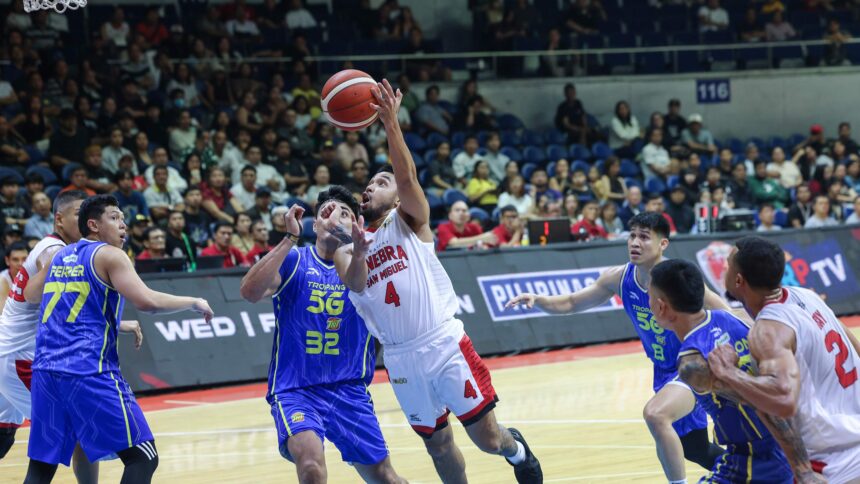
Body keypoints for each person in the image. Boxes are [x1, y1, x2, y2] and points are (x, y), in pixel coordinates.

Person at [325, 80, 542, 483]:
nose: (371, 187)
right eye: (368, 184)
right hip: (400, 357)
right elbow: (355, 285)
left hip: (443, 343)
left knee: (487, 440)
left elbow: (407, 179)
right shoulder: (347, 246)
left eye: (382, 182)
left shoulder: (408, 221)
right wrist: (359, 249)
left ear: (396, 198)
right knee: (438, 446)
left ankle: (516, 449)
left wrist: (391, 123)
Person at [506, 212, 728, 483]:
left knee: (656, 415)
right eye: (632, 235)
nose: (635, 242)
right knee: (696, 450)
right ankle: (751, 473)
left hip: (692, 364)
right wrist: (538, 299)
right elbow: (572, 302)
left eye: (644, 237)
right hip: (663, 370)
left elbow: (723, 311)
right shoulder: (619, 278)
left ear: (663, 244)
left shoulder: (678, 277)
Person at [22, 194, 212, 483]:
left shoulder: (61, 255)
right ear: (93, 225)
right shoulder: (109, 255)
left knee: (41, 468)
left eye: (123, 218)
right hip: (89, 371)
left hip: (46, 372)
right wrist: (193, 301)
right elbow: (148, 302)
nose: (123, 224)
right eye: (114, 218)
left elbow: (30, 294)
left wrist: (114, 323)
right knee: (143, 456)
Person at [240, 188, 406, 484]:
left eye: (344, 213)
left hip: (348, 388)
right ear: (314, 225)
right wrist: (289, 238)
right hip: (296, 389)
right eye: (326, 212)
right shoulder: (294, 260)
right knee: (311, 467)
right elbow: (249, 292)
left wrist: (356, 247)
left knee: (386, 477)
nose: (335, 216)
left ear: (357, 224)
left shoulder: (368, 265)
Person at [709, 236, 860, 483]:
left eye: (728, 266)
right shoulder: (807, 296)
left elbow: (783, 400)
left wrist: (728, 373)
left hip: (835, 464)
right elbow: (855, 347)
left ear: (738, 280)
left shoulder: (767, 330)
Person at [648, 259, 794, 483]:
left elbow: (765, 405)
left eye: (649, 297)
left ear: (660, 307)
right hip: (783, 446)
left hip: (755, 463)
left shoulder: (692, 362)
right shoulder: (732, 317)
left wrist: (802, 467)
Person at [0, 243, 27, 316]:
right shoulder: (2, 280)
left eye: (24, 259)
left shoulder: (34, 276)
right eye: (15, 260)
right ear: (7, 261)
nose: (20, 263)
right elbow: (2, 314)